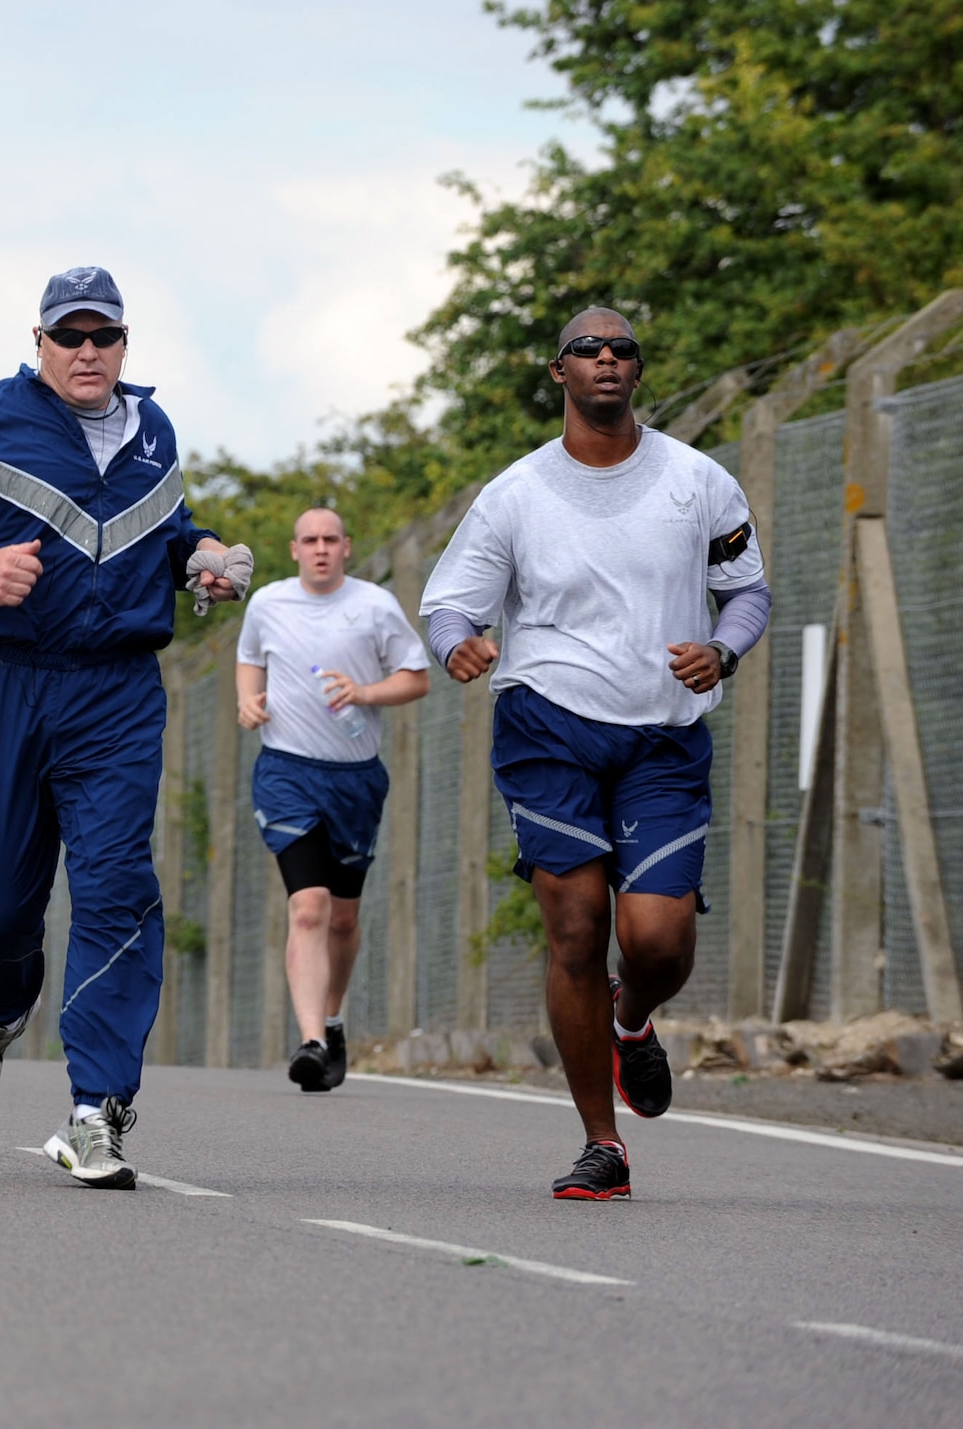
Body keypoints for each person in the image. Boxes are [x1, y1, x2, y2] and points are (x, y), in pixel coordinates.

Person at [0, 265, 249, 1188]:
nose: (88, 352)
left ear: (125, 343)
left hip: (115, 691)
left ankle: (97, 1110)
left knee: (117, 883)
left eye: (104, 336)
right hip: (3, 682)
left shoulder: (149, 429)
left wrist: (202, 556)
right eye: (69, 337)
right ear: (38, 341)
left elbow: (165, 531)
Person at [421, 307, 771, 1201]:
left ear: (638, 374)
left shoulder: (698, 481)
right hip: (547, 724)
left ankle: (633, 1017)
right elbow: (451, 605)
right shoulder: (515, 493)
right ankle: (602, 1145)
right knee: (576, 927)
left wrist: (723, 650)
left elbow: (746, 593)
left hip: (662, 732)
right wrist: (459, 642)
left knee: (656, 938)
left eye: (623, 351)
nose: (607, 360)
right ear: (559, 373)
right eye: (589, 349)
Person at [237, 508, 430, 1091]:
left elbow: (417, 676)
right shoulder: (267, 603)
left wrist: (365, 691)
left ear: (346, 547)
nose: (320, 549)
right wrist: (249, 701)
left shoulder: (374, 605)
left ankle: (334, 1016)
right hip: (286, 772)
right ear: (294, 550)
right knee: (309, 907)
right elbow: (249, 659)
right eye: (309, 540)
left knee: (343, 916)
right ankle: (313, 1041)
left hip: (355, 780)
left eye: (330, 540)